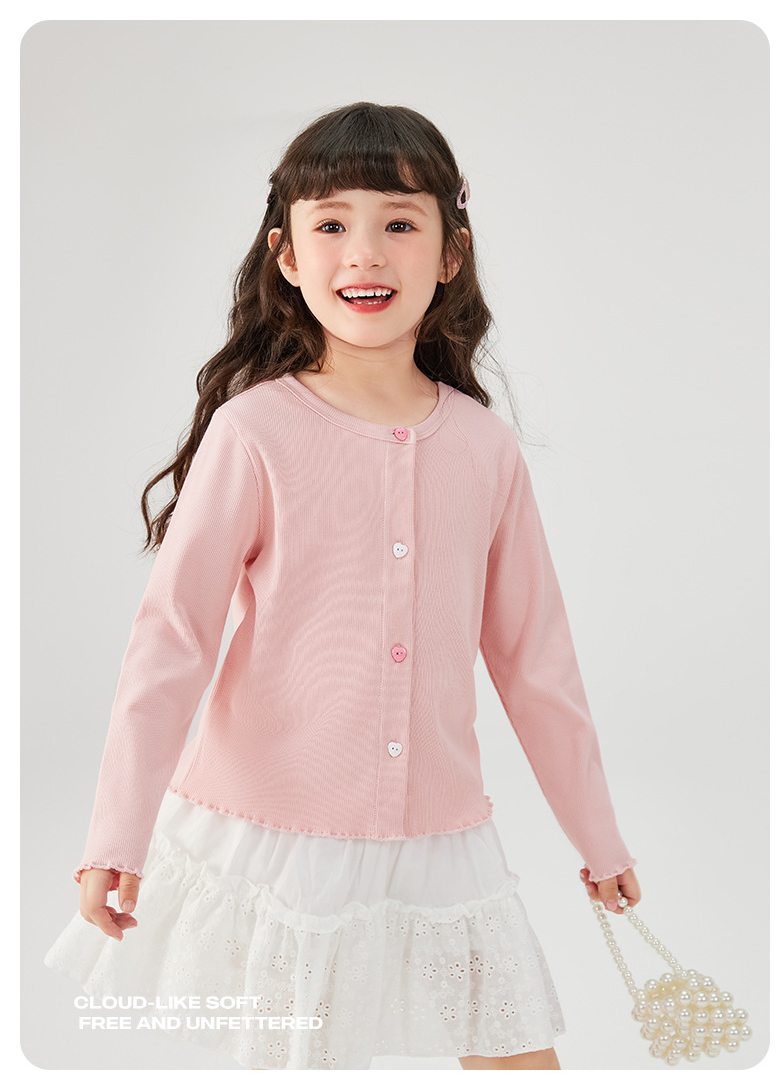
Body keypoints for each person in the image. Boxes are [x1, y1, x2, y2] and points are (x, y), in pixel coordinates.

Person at [44, 101, 640, 1071]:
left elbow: (536, 662)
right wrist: (117, 830)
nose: (365, 252)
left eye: (399, 222)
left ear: (450, 253)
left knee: (518, 1058)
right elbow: (172, 640)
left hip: (443, 836)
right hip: (282, 833)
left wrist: (599, 837)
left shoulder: (485, 447)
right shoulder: (255, 432)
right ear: (285, 254)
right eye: (331, 224)